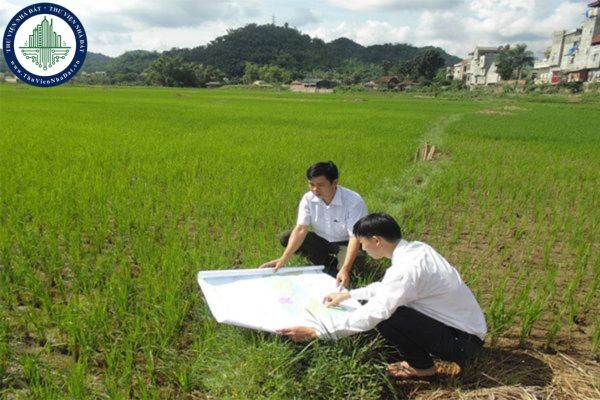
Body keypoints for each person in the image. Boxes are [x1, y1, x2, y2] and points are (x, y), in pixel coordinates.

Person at [278, 213, 487, 380]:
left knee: (387, 314)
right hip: (467, 331)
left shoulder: (405, 270)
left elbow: (373, 313)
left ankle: (422, 367)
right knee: (383, 304)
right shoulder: (416, 249)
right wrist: (349, 294)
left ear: (376, 240)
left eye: (362, 243)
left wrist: (317, 332)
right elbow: (386, 286)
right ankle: (423, 359)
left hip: (462, 343)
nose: (362, 248)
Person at [260, 161, 368, 288]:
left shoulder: (353, 201)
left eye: (321, 185)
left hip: (345, 242)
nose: (315, 189)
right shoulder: (308, 198)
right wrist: (284, 259)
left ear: (335, 182)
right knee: (286, 237)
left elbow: (354, 237)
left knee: (354, 266)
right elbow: (301, 229)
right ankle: (327, 263)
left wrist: (345, 269)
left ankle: (339, 267)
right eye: (311, 184)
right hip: (321, 240)